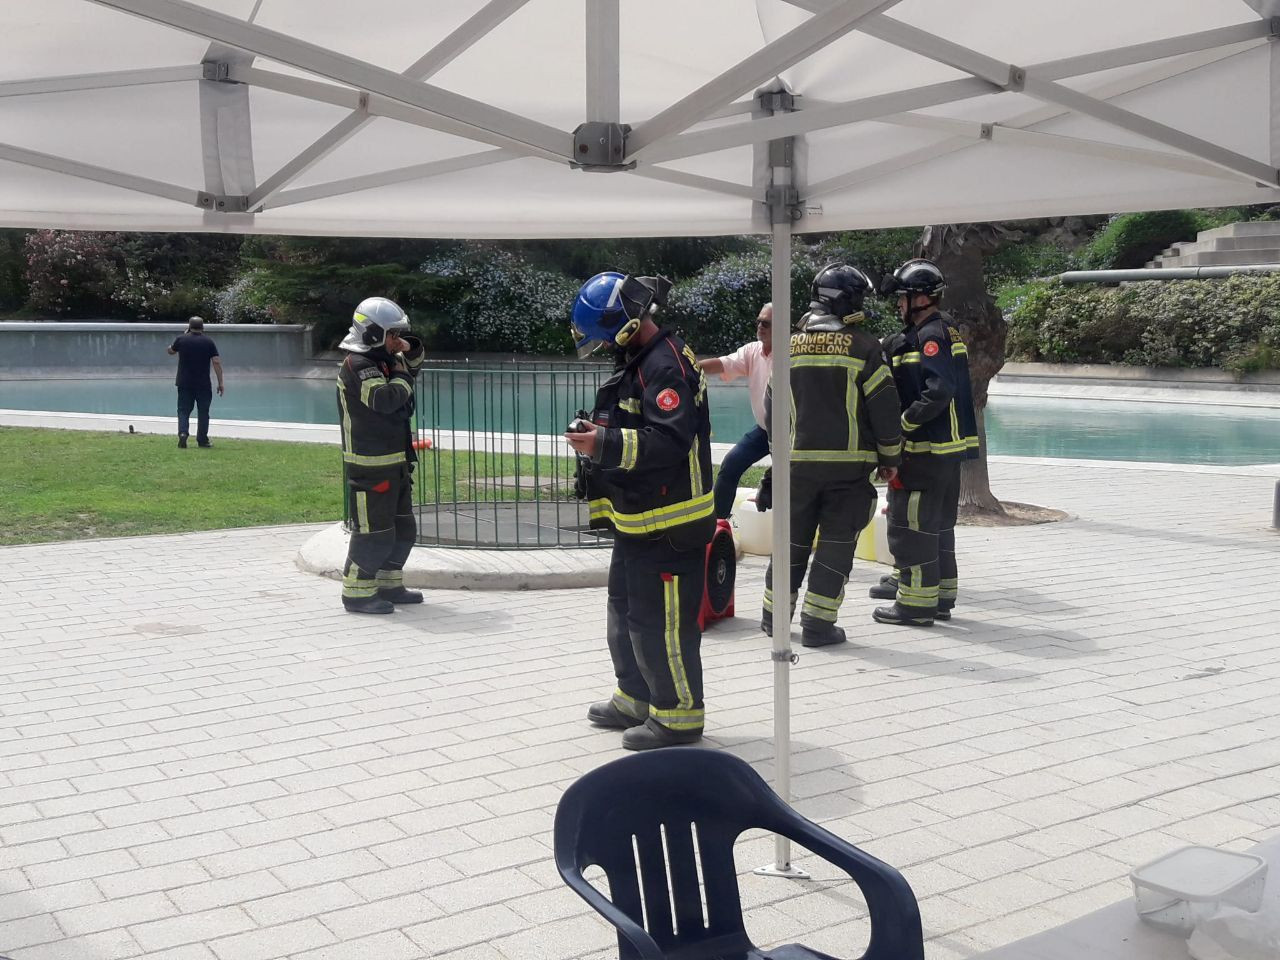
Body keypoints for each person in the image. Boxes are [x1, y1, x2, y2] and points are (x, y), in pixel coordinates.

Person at [566, 271, 714, 751]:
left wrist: (602, 442)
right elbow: (636, 421)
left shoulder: (665, 365)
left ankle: (677, 718)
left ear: (625, 324)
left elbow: (669, 442)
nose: (603, 344)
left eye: (604, 334)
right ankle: (635, 696)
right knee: (626, 613)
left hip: (670, 524)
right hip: (641, 520)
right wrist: (598, 430)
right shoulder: (641, 359)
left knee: (663, 624)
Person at [756, 264, 902, 648]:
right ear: (846, 300)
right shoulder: (866, 348)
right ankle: (818, 626)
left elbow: (772, 409)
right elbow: (884, 410)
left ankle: (774, 618)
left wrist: (780, 455)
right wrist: (890, 456)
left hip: (796, 468)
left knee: (790, 545)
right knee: (835, 549)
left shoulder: (788, 346)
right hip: (848, 470)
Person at [871, 259, 979, 626]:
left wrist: (900, 425)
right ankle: (940, 595)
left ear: (920, 298)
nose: (899, 305)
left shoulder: (931, 336)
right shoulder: (943, 330)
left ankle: (916, 605)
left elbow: (938, 390)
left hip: (926, 450)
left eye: (903, 297)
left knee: (910, 525)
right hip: (945, 453)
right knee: (937, 526)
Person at [336, 297, 427, 615]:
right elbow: (385, 398)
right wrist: (403, 374)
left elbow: (412, 366)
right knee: (374, 533)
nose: (396, 341)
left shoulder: (382, 360)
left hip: (394, 462)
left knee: (403, 529)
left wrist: (408, 350)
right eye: (392, 335)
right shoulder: (357, 365)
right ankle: (357, 594)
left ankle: (389, 584)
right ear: (374, 333)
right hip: (369, 466)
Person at [697, 303, 774, 519]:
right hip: (764, 430)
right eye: (758, 321)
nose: (760, 326)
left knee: (788, 484)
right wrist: (689, 367)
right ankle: (717, 525)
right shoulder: (752, 351)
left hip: (792, 435)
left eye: (766, 323)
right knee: (730, 466)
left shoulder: (791, 354)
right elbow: (723, 364)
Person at [167, 316, 224, 448]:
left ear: (189, 327)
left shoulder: (181, 339)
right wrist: (220, 382)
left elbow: (170, 351)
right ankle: (202, 440)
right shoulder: (209, 341)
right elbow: (216, 361)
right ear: (203, 327)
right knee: (203, 411)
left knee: (183, 410)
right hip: (203, 383)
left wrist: (181, 338)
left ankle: (183, 433)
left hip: (184, 382)